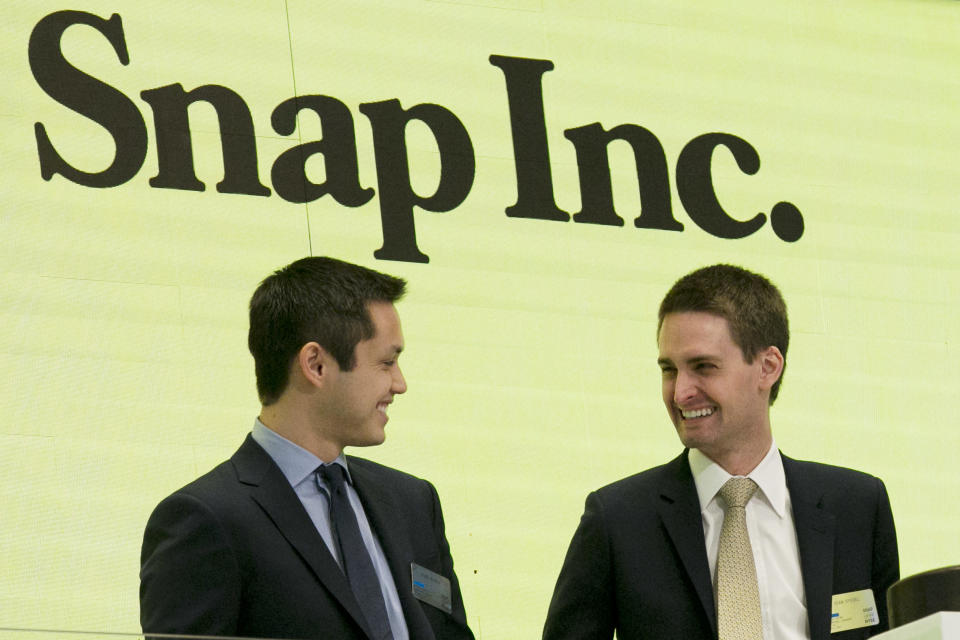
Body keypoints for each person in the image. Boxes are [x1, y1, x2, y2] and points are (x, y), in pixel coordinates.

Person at [542, 264, 898, 640]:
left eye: (703, 367)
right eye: (668, 370)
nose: (680, 393)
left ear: (767, 367)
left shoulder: (858, 507)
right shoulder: (617, 521)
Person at [140, 256, 474, 640]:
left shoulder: (413, 502)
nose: (400, 383)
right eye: (386, 362)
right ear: (315, 365)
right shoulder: (205, 520)